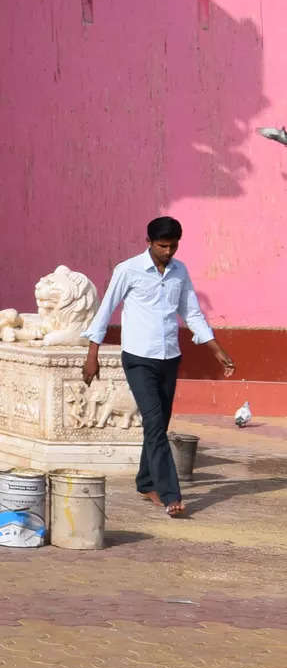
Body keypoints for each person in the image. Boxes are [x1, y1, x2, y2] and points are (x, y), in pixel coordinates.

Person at [82, 216, 235, 518]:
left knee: (158, 425)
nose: (168, 252)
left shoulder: (180, 272)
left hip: (169, 358)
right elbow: (105, 310)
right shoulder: (128, 270)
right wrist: (92, 354)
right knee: (154, 425)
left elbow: (191, 312)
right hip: (138, 358)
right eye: (163, 246)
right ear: (149, 242)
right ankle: (170, 494)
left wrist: (215, 348)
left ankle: (145, 481)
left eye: (173, 246)